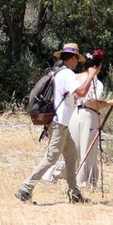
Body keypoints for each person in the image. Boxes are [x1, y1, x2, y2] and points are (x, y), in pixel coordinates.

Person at [16, 43, 98, 203]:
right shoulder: (67, 74)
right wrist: (90, 75)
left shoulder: (58, 72)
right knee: (51, 157)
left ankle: (74, 193)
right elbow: (81, 93)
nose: (78, 63)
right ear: (73, 58)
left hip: (60, 124)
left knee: (71, 154)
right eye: (77, 59)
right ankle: (25, 188)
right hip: (59, 124)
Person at [45, 49, 113, 190]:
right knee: (86, 149)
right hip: (88, 117)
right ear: (95, 67)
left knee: (72, 147)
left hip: (72, 115)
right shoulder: (95, 82)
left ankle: (61, 175)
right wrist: (110, 102)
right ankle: (84, 181)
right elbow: (93, 103)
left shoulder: (75, 77)